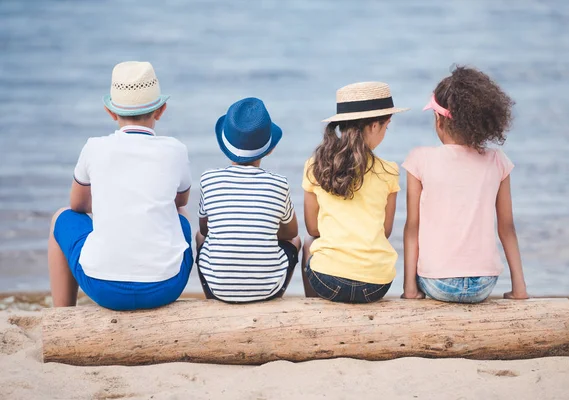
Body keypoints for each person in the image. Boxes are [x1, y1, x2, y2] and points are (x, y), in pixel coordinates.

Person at [47, 61, 193, 310]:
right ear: (161, 110)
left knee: (61, 217)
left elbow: (78, 205)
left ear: (111, 112)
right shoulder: (176, 150)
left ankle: (63, 314)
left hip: (103, 287)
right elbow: (180, 202)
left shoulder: (94, 147)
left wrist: (113, 200)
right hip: (165, 286)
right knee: (181, 215)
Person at [401, 66, 528, 303]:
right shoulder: (497, 160)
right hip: (483, 285)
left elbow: (412, 227)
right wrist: (519, 289)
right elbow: (507, 227)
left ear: (439, 120)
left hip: (437, 284)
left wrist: (410, 289)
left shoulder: (419, 159)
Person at [301, 82, 408, 303]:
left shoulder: (315, 165)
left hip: (326, 282)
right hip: (375, 285)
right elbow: (385, 231)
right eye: (386, 127)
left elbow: (313, 228)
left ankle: (312, 306)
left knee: (309, 242)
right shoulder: (389, 170)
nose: (385, 133)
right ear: (374, 126)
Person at [196, 97, 301, 303]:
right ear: (270, 148)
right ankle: (272, 295)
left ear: (224, 145)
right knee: (295, 243)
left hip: (218, 288)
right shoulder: (279, 183)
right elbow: (292, 233)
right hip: (267, 289)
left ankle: (212, 298)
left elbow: (205, 229)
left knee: (199, 238)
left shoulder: (209, 179)